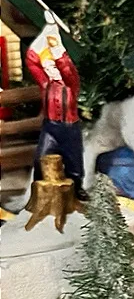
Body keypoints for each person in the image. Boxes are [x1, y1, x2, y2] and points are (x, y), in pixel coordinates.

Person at [25, 18, 87, 201]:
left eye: (53, 65)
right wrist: (48, 31)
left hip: (69, 128)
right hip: (50, 127)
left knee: (74, 159)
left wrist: (56, 46)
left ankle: (77, 187)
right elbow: (31, 59)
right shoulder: (46, 83)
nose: (50, 69)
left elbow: (67, 68)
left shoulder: (71, 84)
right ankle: (37, 187)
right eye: (47, 66)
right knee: (41, 157)